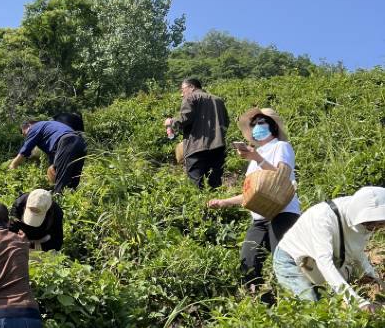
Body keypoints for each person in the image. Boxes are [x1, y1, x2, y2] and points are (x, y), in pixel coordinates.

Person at [207, 108, 301, 303]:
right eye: (254, 124)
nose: (257, 127)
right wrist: (224, 202)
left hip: (282, 212)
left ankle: (300, 303)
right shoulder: (254, 157)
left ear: (273, 126)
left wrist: (257, 158)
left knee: (283, 261)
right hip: (260, 217)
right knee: (248, 262)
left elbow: (280, 177)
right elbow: (252, 193)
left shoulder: (281, 147)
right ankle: (266, 306)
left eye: (261, 122)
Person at [273, 186, 385, 312]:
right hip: (291, 260)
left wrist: (373, 276)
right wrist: (359, 303)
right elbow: (325, 262)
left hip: (315, 266)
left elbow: (357, 251)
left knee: (328, 308)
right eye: (375, 224)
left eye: (381, 224)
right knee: (310, 310)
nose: (377, 228)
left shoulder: (366, 221)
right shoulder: (323, 218)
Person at [164, 78, 229, 189]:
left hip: (196, 148)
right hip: (218, 147)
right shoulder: (218, 100)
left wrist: (171, 122)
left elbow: (185, 119)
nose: (182, 94)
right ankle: (217, 205)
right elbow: (226, 122)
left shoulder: (191, 98)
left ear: (192, 87)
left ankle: (200, 206)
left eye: (183, 90)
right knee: (215, 184)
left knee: (196, 184)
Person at [9, 120, 87, 193]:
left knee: (61, 182)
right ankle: (72, 197)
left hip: (67, 142)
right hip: (80, 143)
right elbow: (52, 156)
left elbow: (26, 148)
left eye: (25, 133)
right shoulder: (49, 128)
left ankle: (58, 199)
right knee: (73, 180)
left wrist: (14, 164)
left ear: (29, 125)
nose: (26, 136)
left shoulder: (35, 127)